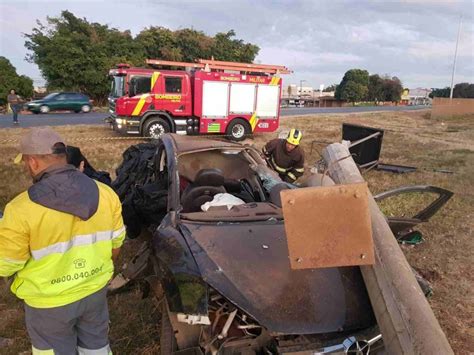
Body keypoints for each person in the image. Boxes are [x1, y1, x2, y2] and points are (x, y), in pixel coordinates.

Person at [0, 127, 125, 355]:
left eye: (26, 162)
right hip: (94, 291)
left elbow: (6, 264)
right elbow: (116, 246)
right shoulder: (106, 194)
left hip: (48, 304)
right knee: (97, 348)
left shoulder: (20, 209)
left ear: (33, 162)